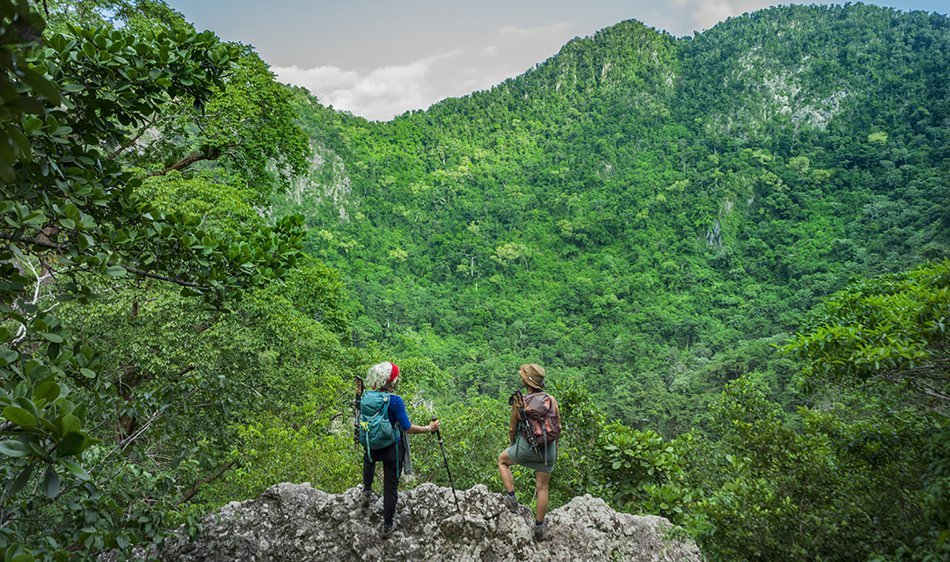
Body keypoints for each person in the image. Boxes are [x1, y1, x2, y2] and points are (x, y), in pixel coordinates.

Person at [359, 361, 439, 538]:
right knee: (390, 487)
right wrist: (429, 428)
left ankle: (366, 491)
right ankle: (387, 525)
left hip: (371, 444)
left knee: (369, 459)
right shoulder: (395, 401)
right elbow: (407, 427)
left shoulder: (366, 396)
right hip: (391, 448)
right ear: (392, 382)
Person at [497, 363, 561, 541]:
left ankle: (511, 498)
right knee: (542, 487)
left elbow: (512, 428)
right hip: (548, 451)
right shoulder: (551, 400)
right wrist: (553, 447)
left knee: (502, 461)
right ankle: (539, 528)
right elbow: (559, 426)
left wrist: (513, 446)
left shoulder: (520, 402)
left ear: (526, 382)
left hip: (526, 448)